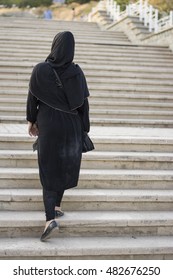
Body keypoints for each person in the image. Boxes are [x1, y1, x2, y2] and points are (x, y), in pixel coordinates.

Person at [26, 31, 90, 241]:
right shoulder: (77, 73)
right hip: (71, 125)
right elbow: (84, 105)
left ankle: (49, 218)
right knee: (64, 165)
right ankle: (57, 205)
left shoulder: (41, 69)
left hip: (49, 124)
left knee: (48, 168)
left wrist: (31, 120)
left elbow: (32, 97)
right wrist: (84, 129)